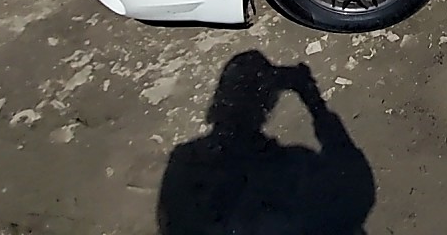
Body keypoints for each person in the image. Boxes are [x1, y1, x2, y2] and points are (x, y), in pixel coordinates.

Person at [157, 51, 375, 235]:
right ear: (268, 105)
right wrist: (314, 103)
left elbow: (170, 224)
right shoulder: (292, 168)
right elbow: (355, 191)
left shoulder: (185, 163)